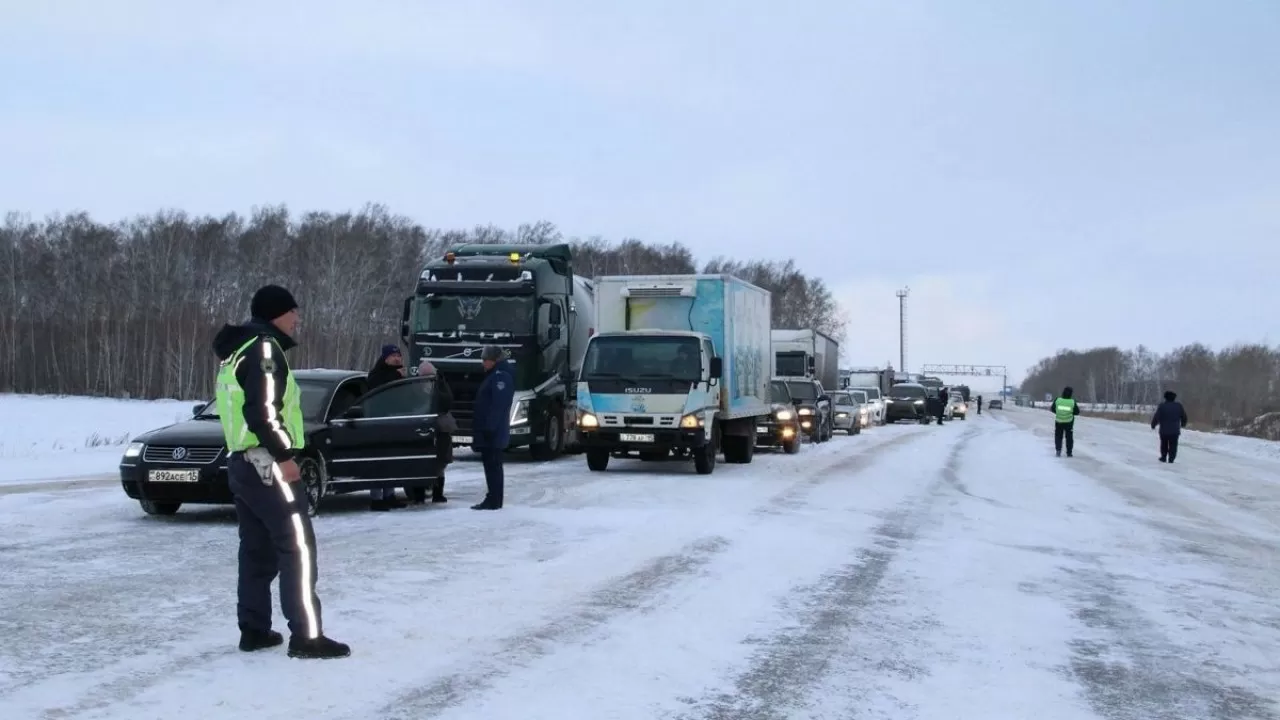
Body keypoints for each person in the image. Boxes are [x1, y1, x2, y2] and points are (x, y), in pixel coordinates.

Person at [211, 284, 349, 660]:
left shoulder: (238, 351)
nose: (297, 319)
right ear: (276, 314)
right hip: (268, 465)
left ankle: (254, 630)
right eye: (292, 312)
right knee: (297, 548)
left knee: (256, 552)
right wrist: (285, 455)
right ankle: (307, 637)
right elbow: (263, 412)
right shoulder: (264, 349)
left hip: (243, 463)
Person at [470, 345, 515, 510]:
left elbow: (498, 405)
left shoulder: (500, 376)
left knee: (493, 466)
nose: (483, 363)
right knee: (491, 465)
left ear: (494, 360)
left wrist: (490, 427)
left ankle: (494, 499)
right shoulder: (495, 375)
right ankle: (493, 497)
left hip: (494, 432)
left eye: (486, 360)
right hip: (491, 431)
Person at [366, 344, 408, 511]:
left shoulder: (399, 374)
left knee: (392, 462)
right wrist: (396, 376)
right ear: (385, 358)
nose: (397, 359)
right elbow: (377, 387)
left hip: (395, 422)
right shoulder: (377, 374)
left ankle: (389, 495)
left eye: (399, 355)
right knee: (379, 462)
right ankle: (376, 498)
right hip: (378, 422)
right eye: (393, 356)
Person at [410, 360, 454, 504]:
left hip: (440, 427)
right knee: (419, 462)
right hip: (421, 426)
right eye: (425, 376)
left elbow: (448, 400)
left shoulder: (440, 383)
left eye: (430, 375)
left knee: (440, 461)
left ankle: (438, 493)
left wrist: (436, 390)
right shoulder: (414, 386)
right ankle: (419, 494)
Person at [1151, 390, 1189, 463]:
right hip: (1175, 431)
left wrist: (1153, 425)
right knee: (1173, 445)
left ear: (1165, 397)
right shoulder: (1178, 406)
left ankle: (1163, 457)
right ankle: (1171, 459)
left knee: (1164, 444)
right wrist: (1183, 424)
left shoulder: (1162, 406)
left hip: (1164, 430)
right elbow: (1184, 416)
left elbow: (1157, 417)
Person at [1051, 386, 1080, 457]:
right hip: (1069, 422)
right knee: (1069, 438)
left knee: (1058, 437)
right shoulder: (1072, 402)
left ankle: (1058, 451)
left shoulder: (1058, 400)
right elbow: (1077, 412)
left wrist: (1058, 413)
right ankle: (1069, 453)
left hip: (1059, 421)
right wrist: (1070, 413)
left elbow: (1052, 409)